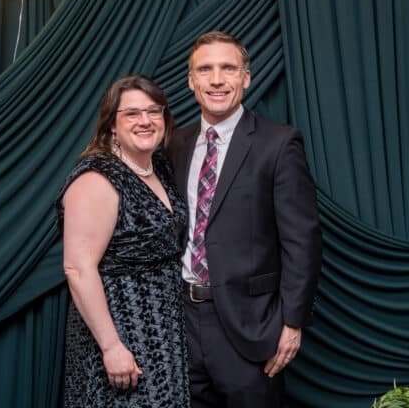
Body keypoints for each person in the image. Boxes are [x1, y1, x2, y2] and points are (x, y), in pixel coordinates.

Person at [169, 31, 322, 408]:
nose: (216, 80)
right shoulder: (175, 145)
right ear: (191, 81)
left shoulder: (278, 143)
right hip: (182, 321)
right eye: (205, 70)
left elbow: (302, 241)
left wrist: (292, 323)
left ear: (246, 77)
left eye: (228, 68)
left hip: (251, 325)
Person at [57, 74, 190, 407]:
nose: (145, 121)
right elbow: (78, 268)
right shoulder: (97, 177)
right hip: (120, 329)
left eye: (153, 111)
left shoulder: (157, 167)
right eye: (131, 113)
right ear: (112, 125)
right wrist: (111, 346)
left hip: (162, 330)